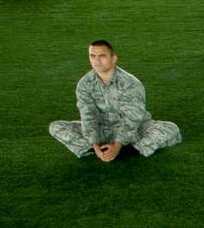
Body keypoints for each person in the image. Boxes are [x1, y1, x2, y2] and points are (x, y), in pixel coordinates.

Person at [50, 39, 181, 160]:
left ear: (113, 59)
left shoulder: (130, 82)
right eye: (92, 56)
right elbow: (88, 116)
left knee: (170, 129)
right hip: (102, 130)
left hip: (133, 131)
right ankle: (98, 151)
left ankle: (126, 150)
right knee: (56, 127)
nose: (96, 61)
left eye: (102, 56)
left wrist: (118, 145)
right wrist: (94, 144)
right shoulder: (84, 84)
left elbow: (133, 117)